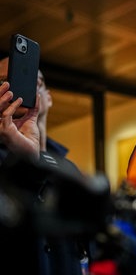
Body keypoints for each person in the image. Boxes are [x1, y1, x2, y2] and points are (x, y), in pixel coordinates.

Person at [0, 55, 90, 275]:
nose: (22, 88)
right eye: (4, 82)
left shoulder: (70, 169)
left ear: (48, 98)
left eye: (34, 81)